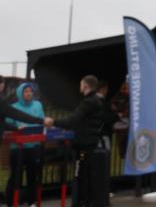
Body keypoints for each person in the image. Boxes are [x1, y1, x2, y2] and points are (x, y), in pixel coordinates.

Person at [44, 75, 108, 207]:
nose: (79, 87)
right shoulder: (98, 101)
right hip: (91, 143)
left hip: (83, 145)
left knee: (80, 175)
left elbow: (72, 120)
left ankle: (80, 202)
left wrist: (54, 122)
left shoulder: (88, 102)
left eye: (80, 84)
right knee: (87, 176)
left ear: (85, 85)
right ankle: (86, 201)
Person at [4, 82, 45, 207]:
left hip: (34, 146)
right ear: (20, 94)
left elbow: (41, 120)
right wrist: (17, 127)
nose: (29, 93)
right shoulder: (13, 107)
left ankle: (31, 202)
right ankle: (11, 202)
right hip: (18, 148)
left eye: (30, 91)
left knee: (32, 175)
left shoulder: (38, 105)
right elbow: (7, 124)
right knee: (16, 176)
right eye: (26, 91)